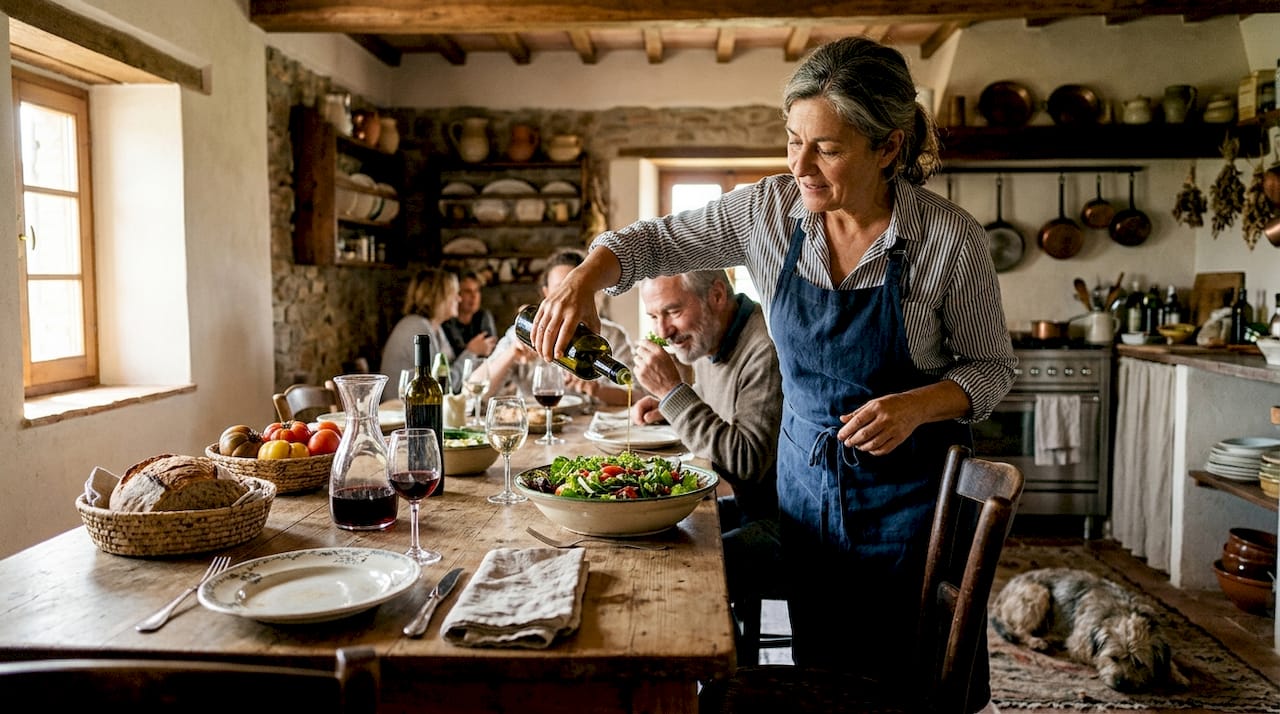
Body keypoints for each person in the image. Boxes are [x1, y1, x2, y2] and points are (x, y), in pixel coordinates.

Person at [525, 36, 1017, 713]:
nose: (800, 167)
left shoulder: (947, 239)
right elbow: (652, 241)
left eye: (827, 149)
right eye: (793, 141)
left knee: (901, 688)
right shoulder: (767, 213)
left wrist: (918, 404)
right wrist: (584, 278)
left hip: (911, 508)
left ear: (889, 147)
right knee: (824, 677)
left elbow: (992, 368)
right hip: (806, 494)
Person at [631, 270, 782, 655]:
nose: (663, 330)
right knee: (646, 535)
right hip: (751, 507)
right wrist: (670, 406)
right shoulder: (710, 337)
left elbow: (747, 461)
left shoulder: (765, 346)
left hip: (790, 524)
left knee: (682, 572)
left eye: (672, 311)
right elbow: (725, 403)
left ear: (716, 295)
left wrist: (673, 393)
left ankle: (722, 675)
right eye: (653, 317)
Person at [476, 248, 636, 407]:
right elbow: (474, 393)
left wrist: (596, 390)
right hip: (534, 421)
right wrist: (511, 354)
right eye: (560, 289)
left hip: (589, 422)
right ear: (546, 293)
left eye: (575, 289)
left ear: (588, 291)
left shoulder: (611, 336)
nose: (568, 297)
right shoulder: (523, 333)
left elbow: (637, 395)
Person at [380, 268, 483, 392]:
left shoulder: (434, 327)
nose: (459, 299)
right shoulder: (418, 328)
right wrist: (471, 352)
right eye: (454, 294)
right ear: (438, 297)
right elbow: (441, 386)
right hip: (402, 403)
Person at [442, 270, 497, 361]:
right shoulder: (447, 322)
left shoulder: (483, 316)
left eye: (476, 291)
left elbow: (492, 350)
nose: (474, 296)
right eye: (468, 291)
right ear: (457, 294)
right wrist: (473, 350)